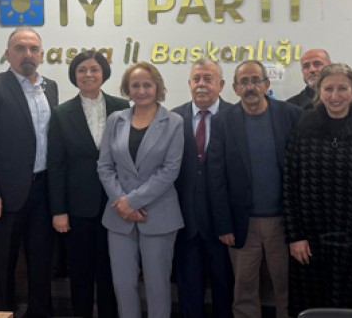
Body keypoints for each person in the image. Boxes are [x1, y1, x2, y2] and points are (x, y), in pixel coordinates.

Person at [283, 63, 352, 316]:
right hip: (310, 245)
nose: (335, 96)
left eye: (342, 88)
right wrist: (295, 236)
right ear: (319, 92)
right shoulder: (304, 127)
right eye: (328, 88)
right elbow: (290, 182)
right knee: (314, 309)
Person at [0, 27, 58, 317]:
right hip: (5, 195)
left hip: (43, 190)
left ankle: (39, 313)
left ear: (42, 55)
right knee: (2, 265)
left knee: (41, 262)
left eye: (33, 49)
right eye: (20, 48)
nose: (27, 54)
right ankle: (2, 313)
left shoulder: (51, 87)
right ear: (7, 55)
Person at [207, 60, 303, 318]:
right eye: (244, 82)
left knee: (287, 287)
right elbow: (216, 177)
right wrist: (224, 225)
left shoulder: (291, 115)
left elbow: (302, 171)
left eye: (255, 80)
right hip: (243, 224)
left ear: (266, 84)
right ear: (235, 88)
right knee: (244, 289)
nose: (250, 87)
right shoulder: (222, 121)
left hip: (283, 223)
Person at [97, 61, 184, 318]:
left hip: (158, 215)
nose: (141, 90)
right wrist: (121, 202)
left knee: (157, 287)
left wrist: (132, 202)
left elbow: (170, 170)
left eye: (147, 85)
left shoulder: (174, 122)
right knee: (123, 285)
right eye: (135, 85)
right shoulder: (115, 120)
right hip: (119, 217)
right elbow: (104, 166)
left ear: (158, 88)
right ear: (127, 89)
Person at [47, 50, 126, 318]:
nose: (88, 74)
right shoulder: (61, 113)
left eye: (94, 69)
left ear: (104, 73)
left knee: (110, 270)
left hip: (116, 204)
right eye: (82, 70)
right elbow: (56, 165)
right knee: (80, 272)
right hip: (77, 208)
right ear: (74, 76)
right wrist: (59, 210)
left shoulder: (122, 107)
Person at [171, 59, 233, 318]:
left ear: (221, 84)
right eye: (196, 79)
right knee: (188, 291)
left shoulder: (235, 117)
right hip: (185, 223)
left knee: (225, 290)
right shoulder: (174, 118)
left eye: (208, 78)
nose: (201, 84)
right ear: (189, 84)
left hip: (224, 225)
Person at [286, 48, 352, 112]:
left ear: (330, 66)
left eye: (317, 64)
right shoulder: (290, 106)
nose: (312, 70)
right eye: (306, 66)